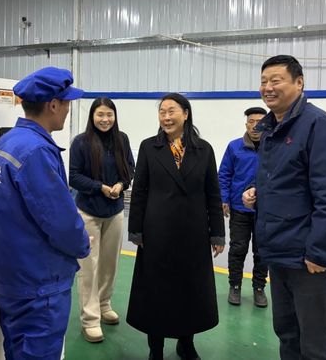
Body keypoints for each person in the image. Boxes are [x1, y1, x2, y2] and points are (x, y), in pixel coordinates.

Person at [242, 55, 326, 360]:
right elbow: (287, 181)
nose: (267, 87)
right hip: (280, 252)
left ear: (299, 82)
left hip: (310, 259)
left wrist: (319, 251)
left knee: (318, 345)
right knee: (288, 335)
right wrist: (256, 192)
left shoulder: (318, 125)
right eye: (263, 81)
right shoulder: (271, 128)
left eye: (276, 80)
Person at [0, 67, 90, 360]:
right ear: (53, 105)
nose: (68, 110)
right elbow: (61, 223)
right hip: (40, 286)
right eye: (67, 103)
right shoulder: (37, 152)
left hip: (12, 279)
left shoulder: (6, 142)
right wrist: (83, 243)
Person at [127, 93, 225, 360]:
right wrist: (135, 228)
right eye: (162, 112)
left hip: (193, 232)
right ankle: (155, 348)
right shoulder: (149, 147)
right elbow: (140, 190)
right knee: (156, 291)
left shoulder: (204, 150)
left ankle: (186, 343)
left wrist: (217, 232)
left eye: (171, 111)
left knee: (189, 290)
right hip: (157, 231)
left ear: (186, 114)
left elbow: (213, 193)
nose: (166, 117)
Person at [69, 97, 135, 343]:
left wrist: (120, 184)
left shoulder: (122, 140)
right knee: (89, 267)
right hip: (88, 213)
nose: (105, 119)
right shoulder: (81, 142)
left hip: (115, 212)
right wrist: (100, 187)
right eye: (100, 115)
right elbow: (74, 176)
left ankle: (104, 304)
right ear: (92, 116)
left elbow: (130, 168)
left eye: (109, 114)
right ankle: (90, 319)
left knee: (109, 264)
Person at [219, 106, 269, 307]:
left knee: (262, 250)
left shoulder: (273, 147)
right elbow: (224, 174)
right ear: (246, 124)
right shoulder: (234, 147)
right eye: (251, 121)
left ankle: (259, 288)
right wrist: (224, 199)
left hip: (265, 210)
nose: (255, 126)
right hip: (239, 208)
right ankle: (235, 286)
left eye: (260, 122)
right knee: (238, 249)